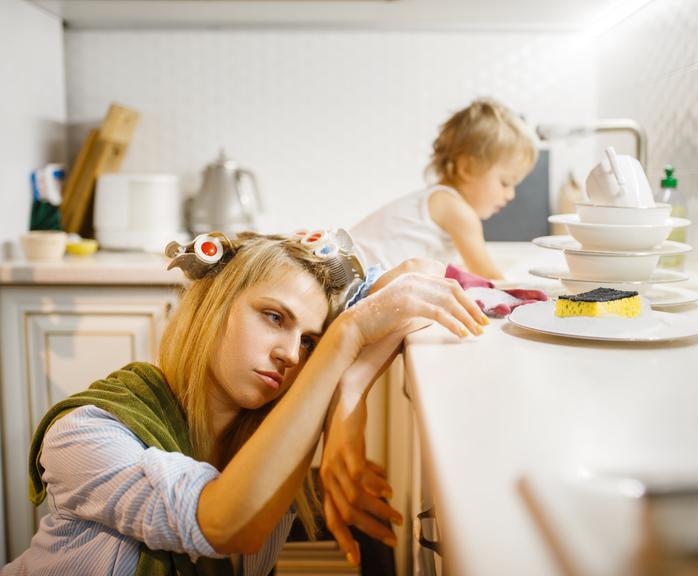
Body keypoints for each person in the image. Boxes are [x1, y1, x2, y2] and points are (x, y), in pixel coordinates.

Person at [3, 231, 487, 576]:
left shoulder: (268, 431)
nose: (289, 353)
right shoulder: (84, 433)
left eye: (309, 341)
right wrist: (348, 336)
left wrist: (350, 398)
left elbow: (417, 275)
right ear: (214, 305)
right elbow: (224, 524)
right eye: (274, 317)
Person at [350, 97, 539, 280]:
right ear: (467, 168)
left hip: (347, 269)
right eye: (505, 183)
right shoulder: (456, 210)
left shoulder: (438, 199)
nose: (510, 195)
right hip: (355, 278)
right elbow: (488, 277)